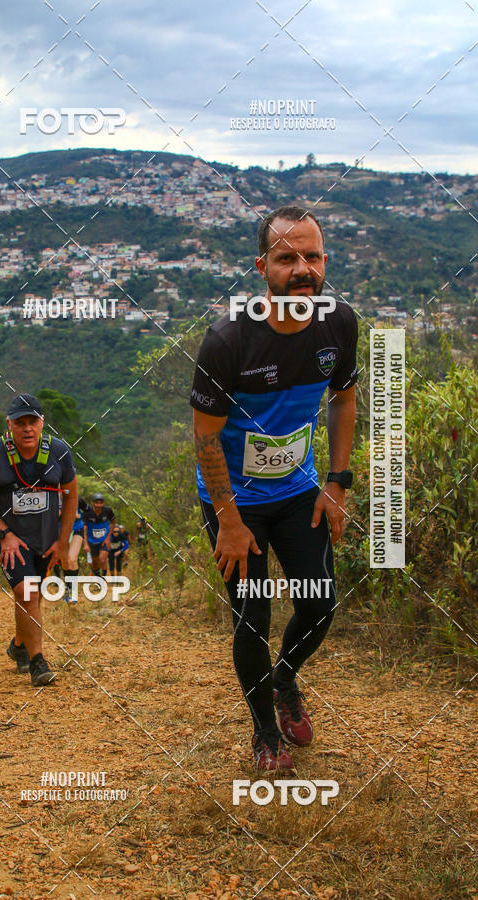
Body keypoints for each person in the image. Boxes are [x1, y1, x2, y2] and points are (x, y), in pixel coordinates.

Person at [191, 206, 358, 772]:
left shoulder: (339, 324)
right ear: (263, 267)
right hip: (235, 503)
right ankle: (265, 733)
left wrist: (336, 482)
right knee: (251, 614)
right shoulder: (228, 341)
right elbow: (205, 439)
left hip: (298, 491)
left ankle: (284, 679)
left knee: (319, 605)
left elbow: (342, 399)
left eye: (311, 256)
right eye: (287, 258)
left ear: (324, 261)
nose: (302, 269)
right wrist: (230, 521)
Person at [0, 393, 77, 687]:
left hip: (46, 539)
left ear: (42, 423)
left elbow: (72, 494)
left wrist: (63, 542)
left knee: (30, 595)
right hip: (10, 538)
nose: (27, 428)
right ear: (9, 424)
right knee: (27, 591)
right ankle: (38, 662)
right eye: (20, 422)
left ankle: (19, 645)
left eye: (32, 422)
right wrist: (4, 534)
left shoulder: (59, 451)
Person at [61, 495, 88, 603]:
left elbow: (89, 512)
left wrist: (79, 516)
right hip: (62, 532)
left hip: (77, 529)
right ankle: (68, 589)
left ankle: (74, 593)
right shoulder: (52, 498)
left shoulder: (78, 498)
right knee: (65, 561)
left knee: (72, 558)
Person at [82, 494, 115, 577]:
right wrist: (85, 543)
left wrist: (107, 538)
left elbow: (113, 523)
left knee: (102, 559)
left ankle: (103, 579)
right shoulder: (88, 512)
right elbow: (84, 529)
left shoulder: (108, 511)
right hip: (92, 541)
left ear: (103, 503)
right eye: (96, 503)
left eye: (100, 503)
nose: (98, 505)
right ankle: (98, 578)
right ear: (93, 503)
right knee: (95, 563)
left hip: (104, 540)